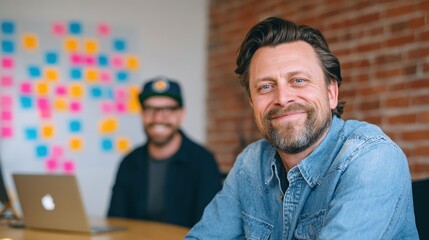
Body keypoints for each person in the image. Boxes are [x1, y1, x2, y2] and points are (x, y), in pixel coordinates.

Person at [186, 17, 419, 239]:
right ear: (252, 103)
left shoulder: (374, 158)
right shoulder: (251, 164)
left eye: (298, 80)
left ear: (331, 93)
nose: (283, 98)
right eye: (266, 87)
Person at [107, 76, 222, 228]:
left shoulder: (203, 162)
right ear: (142, 114)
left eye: (168, 109)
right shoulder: (129, 162)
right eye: (150, 109)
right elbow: (115, 222)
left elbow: (210, 227)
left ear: (181, 114)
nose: (158, 117)